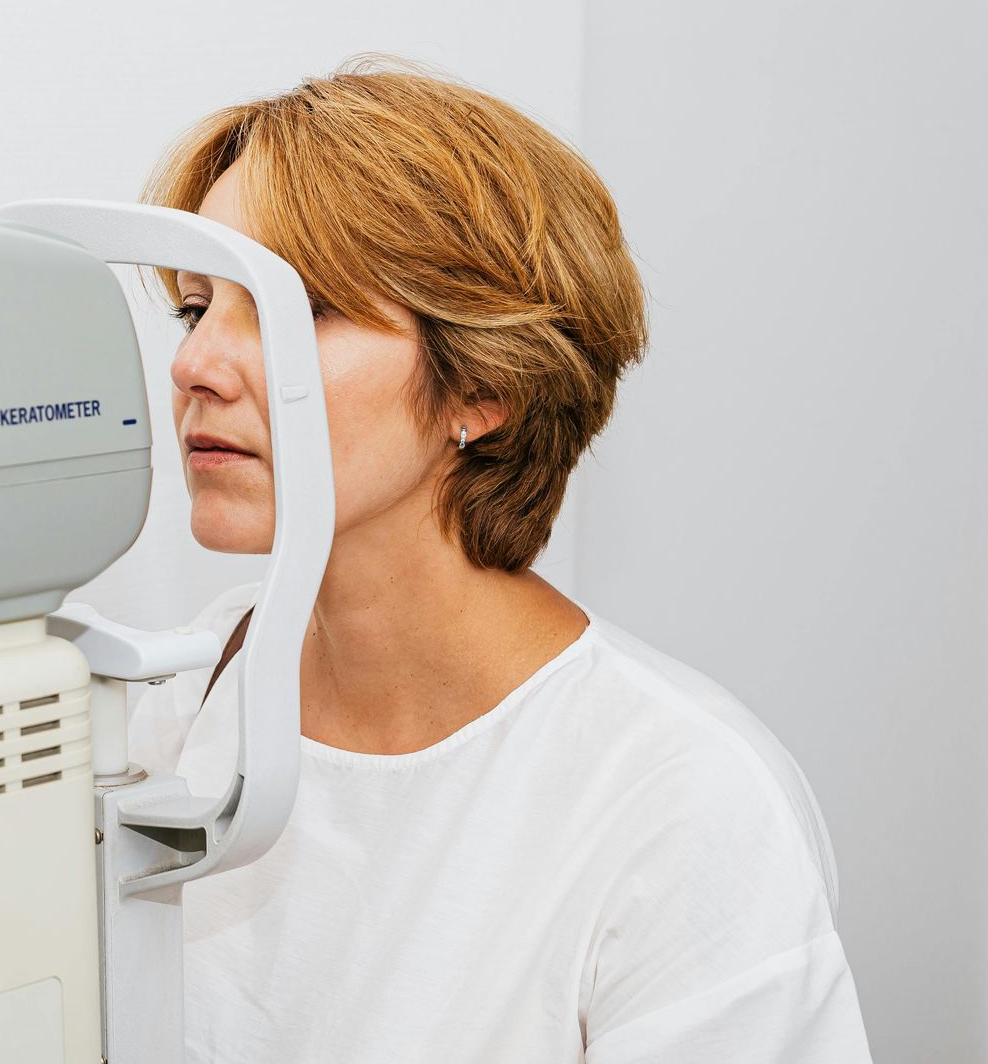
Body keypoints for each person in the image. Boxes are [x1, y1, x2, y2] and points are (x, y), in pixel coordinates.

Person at [127, 62, 874, 1062]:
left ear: (483, 387)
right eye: (195, 308)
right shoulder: (178, 703)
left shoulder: (681, 805)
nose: (194, 365)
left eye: (300, 306)